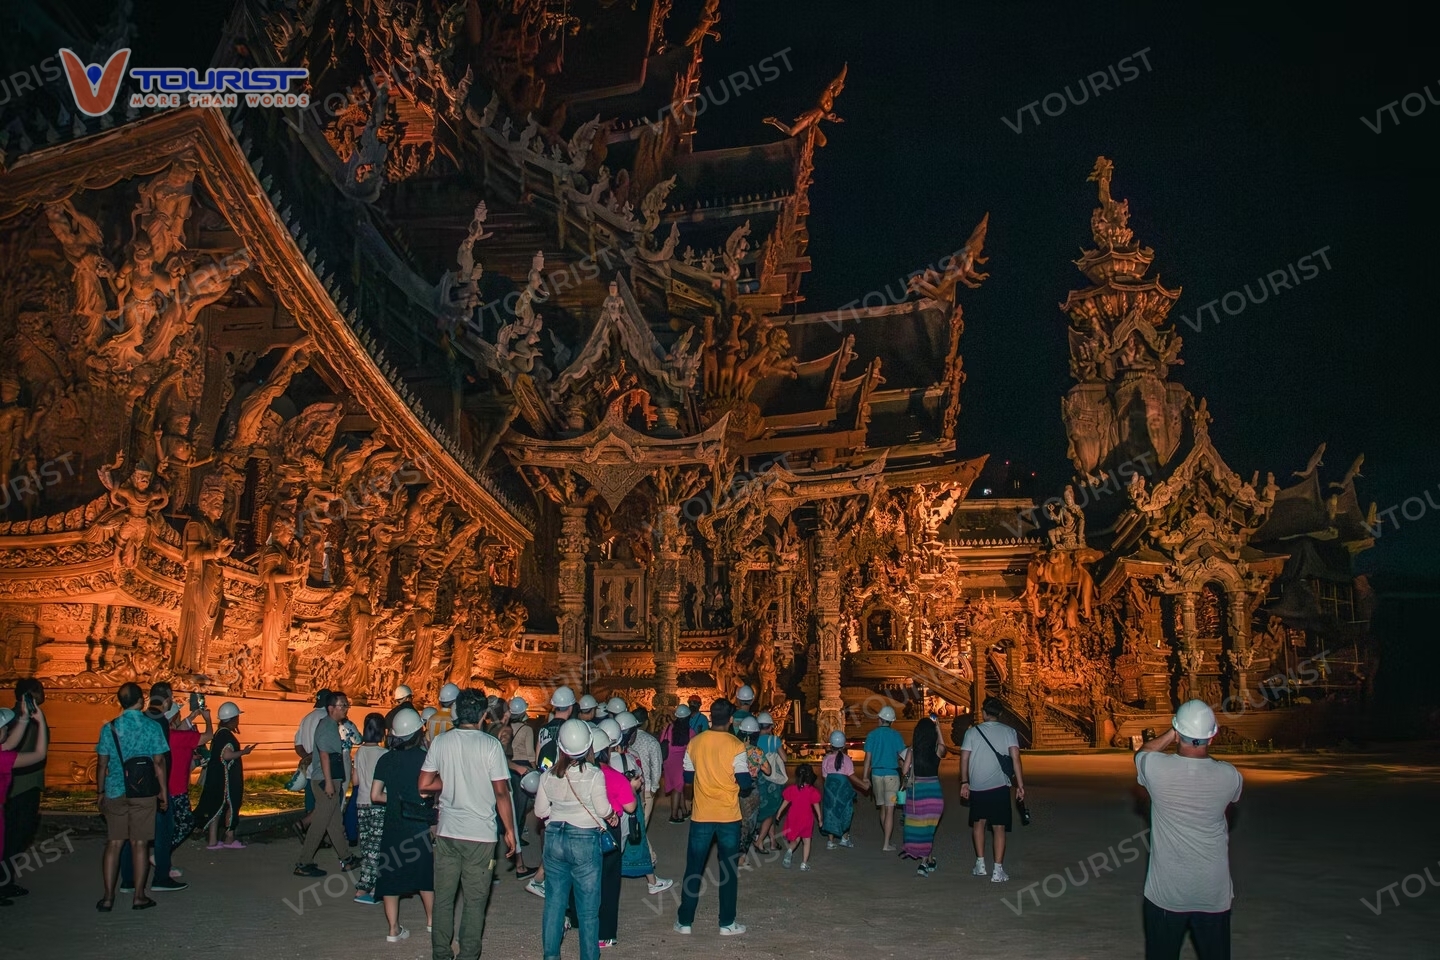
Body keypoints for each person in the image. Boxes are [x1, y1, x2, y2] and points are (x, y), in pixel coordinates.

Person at [1136, 700, 1242, 960]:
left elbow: (1143, 752)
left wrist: (1172, 732)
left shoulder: (1156, 769)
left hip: (1167, 894)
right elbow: (1232, 804)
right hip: (1212, 893)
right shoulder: (1230, 776)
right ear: (1213, 736)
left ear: (1177, 732)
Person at [419, 688, 516, 960]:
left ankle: (440, 953)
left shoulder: (440, 742)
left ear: (457, 713)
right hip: (481, 836)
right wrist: (509, 830)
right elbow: (500, 792)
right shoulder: (490, 745)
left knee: (444, 898)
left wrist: (448, 782)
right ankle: (468, 954)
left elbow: (424, 785)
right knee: (475, 902)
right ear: (484, 715)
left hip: (448, 831)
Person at [534, 718, 614, 960]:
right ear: (590, 746)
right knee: (588, 911)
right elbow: (602, 809)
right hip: (585, 839)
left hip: (555, 838)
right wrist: (611, 816)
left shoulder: (548, 775)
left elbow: (539, 811)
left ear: (560, 746)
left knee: (554, 904)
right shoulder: (594, 774)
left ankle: (551, 956)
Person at [675, 698, 752, 937]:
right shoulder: (736, 745)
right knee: (728, 870)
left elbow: (688, 779)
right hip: (729, 815)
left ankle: (685, 921)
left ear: (710, 718)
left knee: (694, 868)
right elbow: (745, 783)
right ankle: (726, 922)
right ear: (731, 719)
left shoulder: (695, 742)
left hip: (702, 814)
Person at [95, 682, 169, 912]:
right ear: (141, 700)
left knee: (114, 843)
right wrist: (163, 792)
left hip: (116, 789)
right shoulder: (151, 727)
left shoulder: (110, 728)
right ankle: (139, 896)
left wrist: (100, 792)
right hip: (143, 792)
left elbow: (102, 763)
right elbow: (159, 762)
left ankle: (108, 897)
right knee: (140, 844)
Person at [371, 707, 434, 942]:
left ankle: (393, 929)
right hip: (417, 822)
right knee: (425, 873)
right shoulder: (424, 758)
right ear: (419, 732)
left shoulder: (385, 759)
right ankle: (431, 921)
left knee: (390, 876)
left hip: (393, 821)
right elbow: (430, 790)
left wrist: (396, 798)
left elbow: (375, 795)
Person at [117, 683, 187, 895]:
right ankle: (161, 877)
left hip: (133, 785)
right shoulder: (160, 721)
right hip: (153, 786)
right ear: (167, 699)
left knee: (134, 834)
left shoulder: (140, 718)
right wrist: (163, 791)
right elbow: (160, 759)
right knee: (163, 834)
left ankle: (127, 880)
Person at [960, 695, 1024, 883]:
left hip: (977, 786)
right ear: (1001, 713)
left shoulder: (972, 733)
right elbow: (1016, 759)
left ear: (984, 712)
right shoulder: (1009, 732)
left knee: (978, 823)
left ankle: (980, 864)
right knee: (999, 827)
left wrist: (964, 782)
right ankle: (997, 869)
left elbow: (964, 758)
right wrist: (1020, 785)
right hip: (999, 786)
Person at [295, 691, 359, 877]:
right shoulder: (327, 727)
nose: (346, 709)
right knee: (320, 824)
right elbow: (324, 755)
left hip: (329, 779)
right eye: (343, 705)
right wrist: (329, 783)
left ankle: (347, 859)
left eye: (347, 705)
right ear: (331, 708)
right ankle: (303, 862)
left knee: (334, 823)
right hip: (325, 781)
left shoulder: (330, 724)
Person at [614, 711, 673, 897]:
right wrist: (653, 788)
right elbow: (655, 767)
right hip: (634, 797)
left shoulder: (607, 756)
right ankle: (651, 876)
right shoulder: (631, 756)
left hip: (613, 802)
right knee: (637, 834)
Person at [529, 685, 579, 900]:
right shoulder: (573, 729)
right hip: (565, 781)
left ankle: (546, 874)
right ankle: (545, 877)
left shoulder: (543, 729)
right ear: (570, 707)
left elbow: (538, 756)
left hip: (545, 780)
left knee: (548, 826)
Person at [0, 698, 49, 908]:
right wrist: (41, 724)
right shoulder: (3, 759)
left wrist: (24, 719)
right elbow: (39, 755)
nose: (7, 731)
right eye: (4, 728)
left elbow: (10, 743)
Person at [594, 722, 633, 950]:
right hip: (608, 830)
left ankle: (577, 920)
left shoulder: (574, 773)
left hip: (579, 829)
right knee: (609, 884)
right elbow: (629, 807)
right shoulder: (615, 776)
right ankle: (605, 933)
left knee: (583, 879)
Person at [161, 698, 212, 874]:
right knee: (186, 823)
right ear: (174, 717)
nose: (181, 717)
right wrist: (207, 719)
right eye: (179, 715)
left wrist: (192, 716)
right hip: (177, 790)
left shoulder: (165, 733)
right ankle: (162, 855)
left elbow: (181, 727)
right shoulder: (178, 737)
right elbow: (208, 736)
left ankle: (163, 860)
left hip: (165, 788)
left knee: (171, 825)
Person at [195, 702, 251, 849]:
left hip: (217, 776)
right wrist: (244, 752)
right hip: (227, 778)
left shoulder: (219, 733)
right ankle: (229, 837)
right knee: (231, 805)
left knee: (217, 807)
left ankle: (213, 841)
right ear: (233, 718)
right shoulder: (226, 735)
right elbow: (226, 755)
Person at [903, 710, 947, 876]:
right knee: (929, 828)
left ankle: (925, 861)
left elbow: (905, 770)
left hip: (918, 792)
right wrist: (938, 728)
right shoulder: (936, 750)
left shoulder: (912, 751)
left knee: (921, 827)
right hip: (934, 792)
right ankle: (926, 860)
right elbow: (944, 747)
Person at [351, 712, 388, 905]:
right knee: (378, 847)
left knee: (366, 846)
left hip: (361, 802)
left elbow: (355, 780)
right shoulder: (384, 754)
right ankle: (371, 887)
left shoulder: (360, 752)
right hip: (379, 804)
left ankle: (363, 887)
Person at [503, 696, 538, 880]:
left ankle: (514, 836)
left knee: (513, 805)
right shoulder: (526, 729)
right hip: (523, 768)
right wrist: (535, 771)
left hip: (509, 766)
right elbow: (530, 753)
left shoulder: (505, 729)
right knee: (522, 806)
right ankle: (516, 845)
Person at [862, 705, 906, 851]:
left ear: (880, 719)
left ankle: (886, 839)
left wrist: (865, 777)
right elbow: (903, 757)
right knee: (890, 809)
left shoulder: (872, 735)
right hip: (892, 776)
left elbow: (867, 758)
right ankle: (886, 843)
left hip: (876, 775)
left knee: (882, 807)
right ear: (891, 721)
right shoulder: (896, 735)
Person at [292, 688, 330, 840]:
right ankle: (311, 833)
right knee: (325, 805)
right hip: (323, 770)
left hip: (309, 771)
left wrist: (307, 758)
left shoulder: (306, 718)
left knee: (311, 805)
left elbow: (298, 745)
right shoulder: (328, 719)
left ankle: (311, 836)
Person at [734, 716, 771, 865]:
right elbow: (768, 771)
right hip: (751, 789)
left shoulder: (734, 748)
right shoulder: (757, 752)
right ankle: (741, 857)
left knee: (733, 821)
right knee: (748, 823)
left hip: (733, 787)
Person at [820, 730, 862, 849]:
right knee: (846, 813)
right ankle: (844, 838)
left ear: (830, 744)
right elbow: (851, 775)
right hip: (843, 791)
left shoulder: (826, 759)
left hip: (830, 791)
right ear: (844, 745)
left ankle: (830, 841)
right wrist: (863, 784)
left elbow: (825, 776)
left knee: (830, 813)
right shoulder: (847, 759)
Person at [777, 764, 821, 871]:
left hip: (793, 817)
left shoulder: (792, 789)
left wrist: (779, 813)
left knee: (795, 839)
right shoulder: (812, 791)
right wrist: (820, 819)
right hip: (806, 818)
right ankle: (804, 863)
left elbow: (785, 802)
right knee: (807, 841)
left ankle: (789, 851)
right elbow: (816, 806)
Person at [627, 706, 664, 829]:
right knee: (642, 825)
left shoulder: (626, 739)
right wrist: (654, 786)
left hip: (627, 785)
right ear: (647, 722)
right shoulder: (651, 741)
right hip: (646, 786)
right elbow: (656, 765)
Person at [753, 712, 785, 855]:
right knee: (771, 811)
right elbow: (784, 759)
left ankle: (772, 841)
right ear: (771, 726)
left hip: (758, 778)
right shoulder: (774, 740)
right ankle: (759, 841)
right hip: (773, 780)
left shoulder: (754, 740)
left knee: (767, 809)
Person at [661, 705, 693, 823]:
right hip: (682, 762)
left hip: (668, 761)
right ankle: (673, 816)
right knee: (678, 788)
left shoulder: (668, 728)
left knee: (677, 786)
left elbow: (661, 741)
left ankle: (684, 811)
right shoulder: (690, 732)